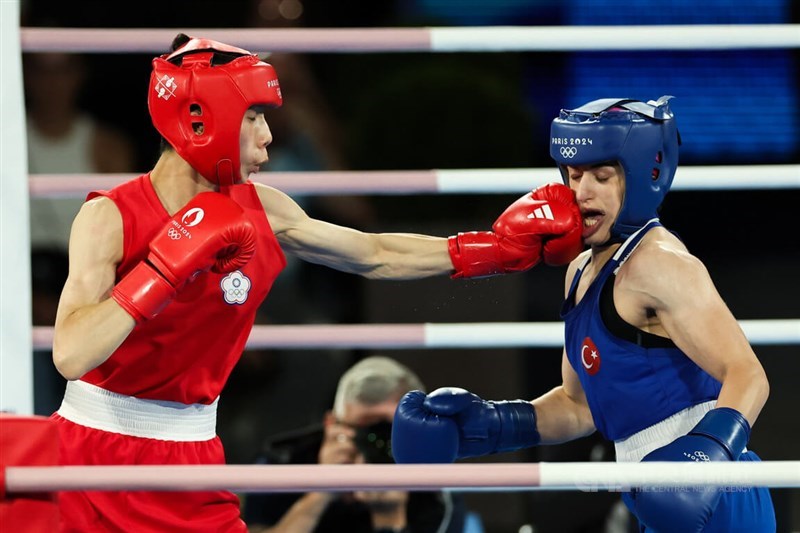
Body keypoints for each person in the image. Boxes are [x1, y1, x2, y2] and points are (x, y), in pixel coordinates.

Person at [50, 33, 583, 532]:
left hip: (191, 450)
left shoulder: (265, 210)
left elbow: (374, 254)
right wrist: (161, 270)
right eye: (253, 115)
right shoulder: (111, 219)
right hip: (92, 452)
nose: (268, 136)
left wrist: (491, 250)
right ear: (200, 119)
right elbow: (71, 355)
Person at [391, 96, 777, 533]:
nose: (582, 192)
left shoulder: (660, 263)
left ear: (643, 176)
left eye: (602, 176)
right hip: (653, 495)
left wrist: (704, 459)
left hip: (715, 493)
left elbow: (748, 375)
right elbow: (579, 407)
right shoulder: (579, 270)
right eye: (574, 175)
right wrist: (493, 425)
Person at [245, 356, 477, 533]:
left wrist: (390, 518)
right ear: (331, 424)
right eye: (366, 430)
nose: (378, 441)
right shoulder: (282, 461)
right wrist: (320, 492)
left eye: (391, 430)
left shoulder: (433, 487)